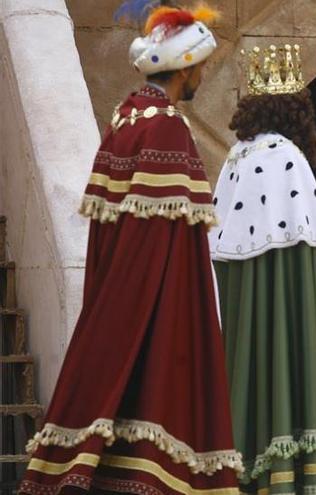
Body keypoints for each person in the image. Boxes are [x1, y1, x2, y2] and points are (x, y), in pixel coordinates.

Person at [19, 5, 244, 494]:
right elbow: (157, 246)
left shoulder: (126, 117)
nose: (203, 74)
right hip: (156, 306)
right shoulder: (165, 127)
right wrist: (170, 317)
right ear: (185, 66)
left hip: (118, 300)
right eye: (201, 65)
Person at [209, 44, 316, 493]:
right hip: (293, 301)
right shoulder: (290, 161)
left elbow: (220, 240)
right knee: (294, 368)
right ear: (298, 114)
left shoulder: (234, 161)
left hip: (242, 299)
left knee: (247, 372)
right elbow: (315, 244)